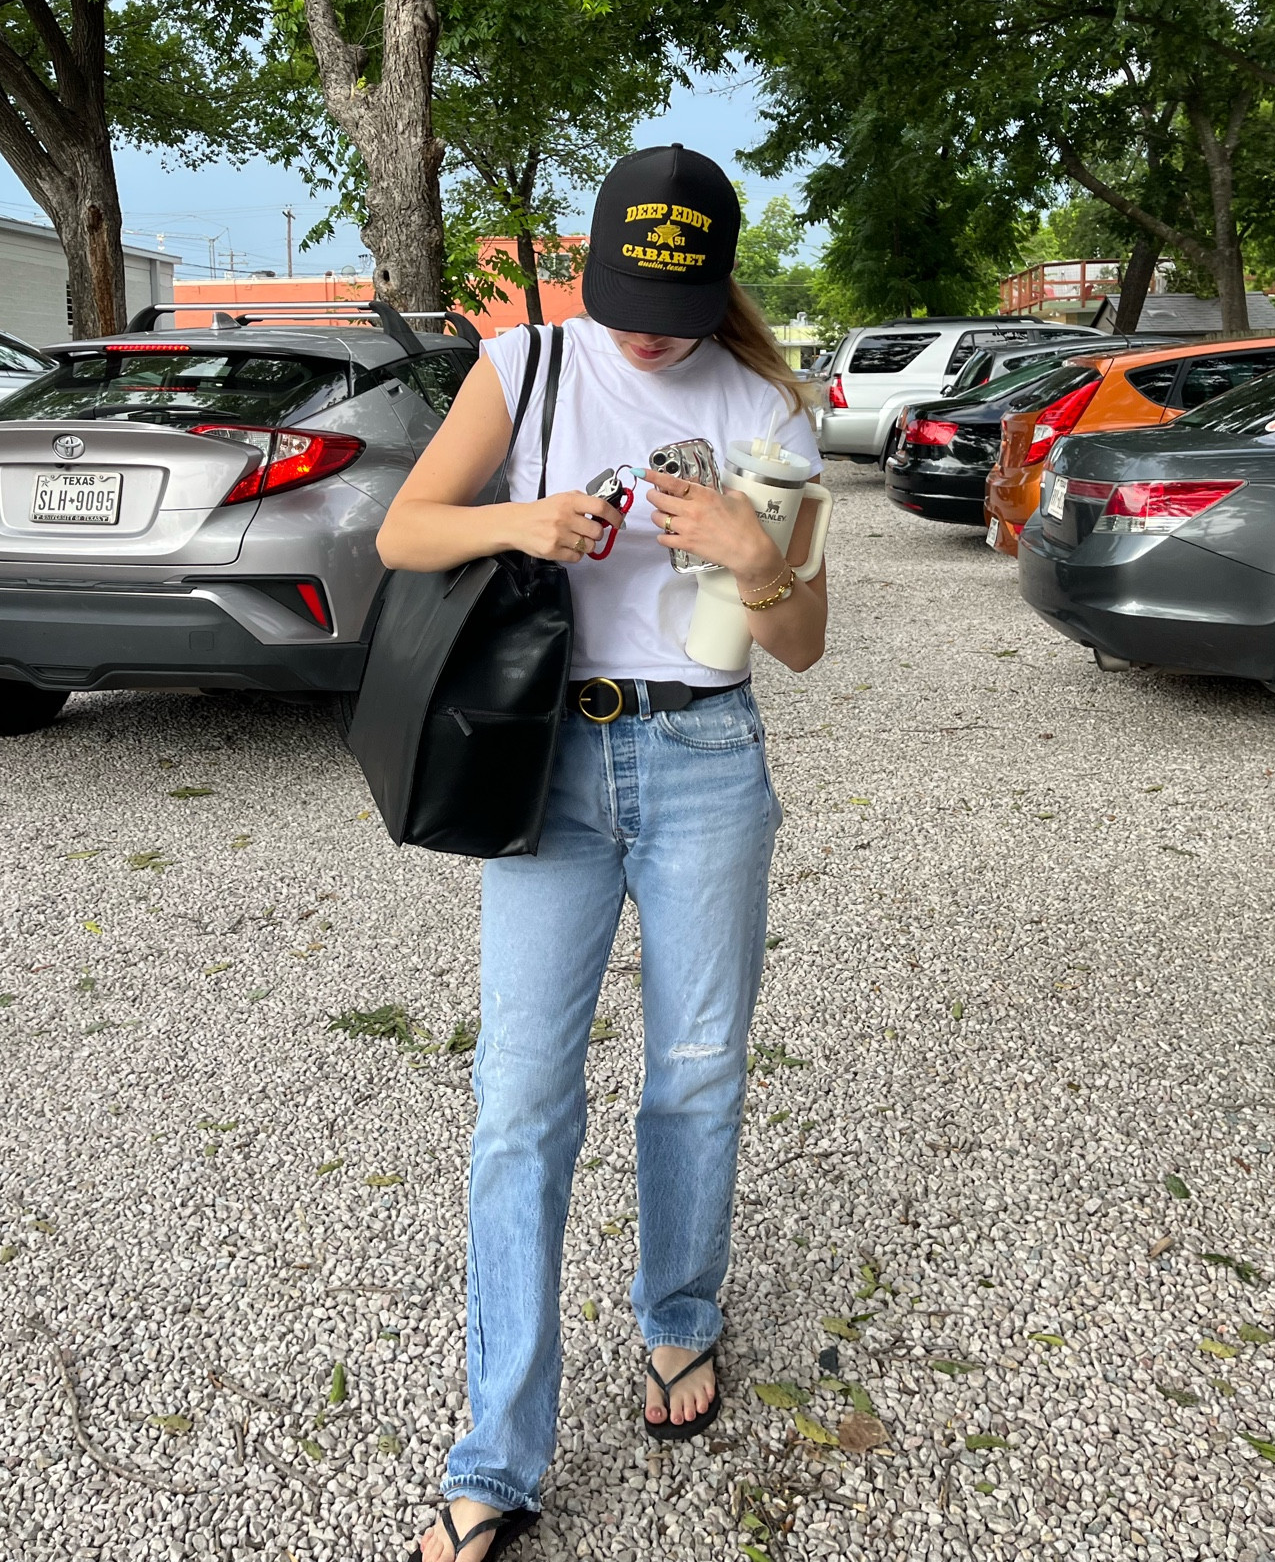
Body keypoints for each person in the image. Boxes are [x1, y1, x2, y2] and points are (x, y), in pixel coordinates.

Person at [380, 145, 828, 1562]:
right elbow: (405, 531)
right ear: (590, 260)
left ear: (719, 284)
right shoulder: (530, 370)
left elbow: (802, 644)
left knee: (696, 1075)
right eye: (630, 291)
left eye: (677, 303)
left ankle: (679, 1320)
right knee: (521, 1104)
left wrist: (760, 557)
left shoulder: (763, 407)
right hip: (551, 762)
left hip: (707, 756)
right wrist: (527, 519)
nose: (649, 328)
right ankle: (497, 1451)